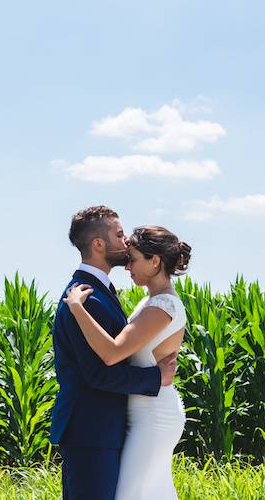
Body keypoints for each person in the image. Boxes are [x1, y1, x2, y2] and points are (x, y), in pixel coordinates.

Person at [50, 206, 179, 500]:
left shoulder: (97, 291)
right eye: (119, 235)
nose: (126, 242)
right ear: (98, 244)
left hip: (101, 431)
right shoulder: (87, 297)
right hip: (92, 432)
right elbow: (98, 373)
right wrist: (155, 378)